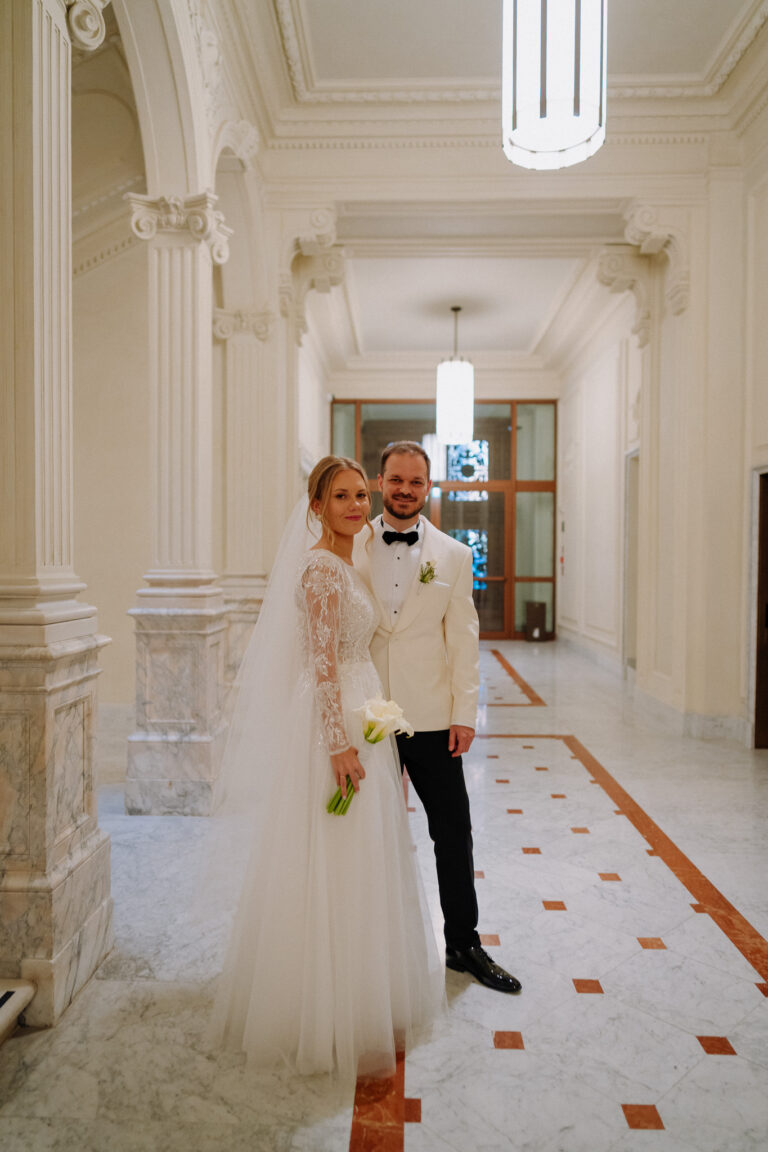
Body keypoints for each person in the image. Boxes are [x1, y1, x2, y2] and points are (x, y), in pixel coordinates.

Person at [207, 455, 443, 1079]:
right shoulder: (318, 570)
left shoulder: (348, 561)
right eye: (342, 496)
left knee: (362, 860)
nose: (357, 506)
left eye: (361, 495)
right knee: (331, 856)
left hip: (364, 720)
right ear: (316, 505)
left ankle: (361, 985)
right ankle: (321, 1004)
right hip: (334, 728)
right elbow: (319, 666)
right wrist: (338, 744)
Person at [354, 441, 522, 994]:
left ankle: (463, 943)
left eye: (416, 482)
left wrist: (464, 714)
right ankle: (358, 946)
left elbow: (464, 640)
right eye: (396, 480)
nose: (405, 490)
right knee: (356, 834)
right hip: (365, 715)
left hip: (429, 718)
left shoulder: (452, 554)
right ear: (381, 483)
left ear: (429, 488)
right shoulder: (347, 545)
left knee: (453, 833)